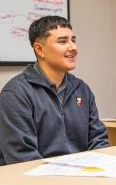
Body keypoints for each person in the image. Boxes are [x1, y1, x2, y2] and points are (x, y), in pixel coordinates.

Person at [0, 15, 109, 165]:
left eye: (73, 40)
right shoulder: (15, 94)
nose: (73, 47)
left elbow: (99, 140)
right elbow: (22, 158)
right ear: (40, 49)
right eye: (63, 41)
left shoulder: (82, 89)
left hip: (81, 177)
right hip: (36, 182)